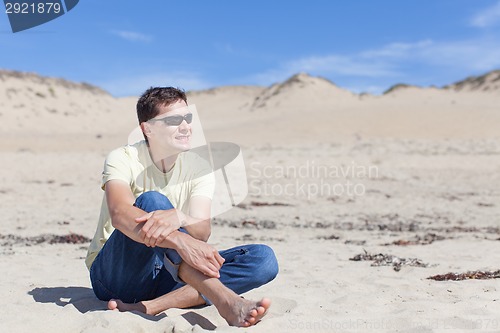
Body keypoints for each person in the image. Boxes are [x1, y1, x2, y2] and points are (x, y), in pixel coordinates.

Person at [85, 87, 279, 327]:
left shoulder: (198, 167)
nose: (186, 127)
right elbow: (120, 213)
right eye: (174, 120)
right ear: (148, 128)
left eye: (188, 118)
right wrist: (180, 241)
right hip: (115, 277)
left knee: (263, 260)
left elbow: (202, 230)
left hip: (168, 272)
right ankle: (226, 301)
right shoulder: (123, 157)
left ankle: (153, 306)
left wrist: (180, 218)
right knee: (151, 201)